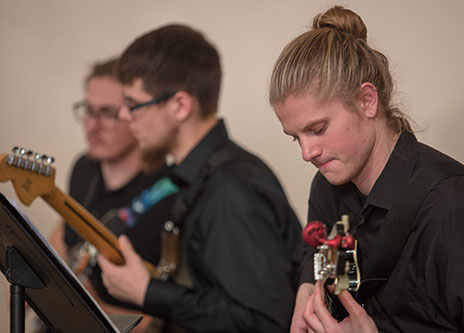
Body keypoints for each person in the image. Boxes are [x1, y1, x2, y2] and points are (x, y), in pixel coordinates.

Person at [269, 5, 464, 333]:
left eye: (317, 128)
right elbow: (319, 248)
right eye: (296, 138)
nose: (307, 153)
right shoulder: (327, 184)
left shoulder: (457, 212)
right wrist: (308, 285)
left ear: (367, 101)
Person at [95, 24, 302, 332]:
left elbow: (263, 322)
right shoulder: (201, 177)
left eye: (134, 104)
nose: (125, 117)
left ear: (180, 105)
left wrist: (147, 292)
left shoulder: (230, 189)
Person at [48, 58, 177, 331]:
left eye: (107, 113)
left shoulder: (170, 193)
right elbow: (65, 232)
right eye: (88, 110)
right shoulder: (83, 168)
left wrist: (92, 309)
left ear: (135, 114)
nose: (92, 126)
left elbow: (169, 318)